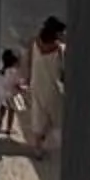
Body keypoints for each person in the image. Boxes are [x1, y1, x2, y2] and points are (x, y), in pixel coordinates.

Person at [22, 16, 68, 159]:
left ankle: (38, 145)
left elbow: (29, 61)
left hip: (36, 83)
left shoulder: (34, 42)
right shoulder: (59, 49)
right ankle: (42, 140)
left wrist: (28, 78)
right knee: (53, 114)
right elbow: (63, 72)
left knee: (38, 112)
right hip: (51, 87)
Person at [0, 47, 29, 138]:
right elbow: (17, 84)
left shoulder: (2, 71)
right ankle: (9, 128)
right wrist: (24, 88)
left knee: (2, 109)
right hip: (12, 95)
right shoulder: (15, 72)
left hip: (2, 94)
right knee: (12, 111)